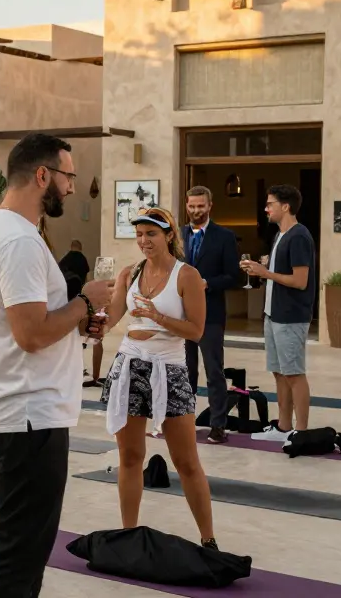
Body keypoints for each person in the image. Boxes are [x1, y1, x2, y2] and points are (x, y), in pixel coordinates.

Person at [0, 133, 113, 598]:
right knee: (20, 546)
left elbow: (36, 323)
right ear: (43, 175)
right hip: (26, 412)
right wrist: (85, 302)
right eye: (68, 176)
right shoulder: (17, 240)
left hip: (18, 407)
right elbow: (29, 334)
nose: (72, 187)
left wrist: (75, 319)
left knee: (24, 544)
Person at [100, 206, 216, 548]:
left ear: (168, 235)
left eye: (150, 234)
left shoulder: (187, 276)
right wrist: (91, 322)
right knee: (130, 457)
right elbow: (113, 317)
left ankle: (208, 540)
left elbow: (196, 331)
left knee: (186, 461)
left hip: (170, 368)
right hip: (130, 365)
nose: (143, 241)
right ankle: (128, 534)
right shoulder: (130, 272)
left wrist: (159, 316)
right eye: (138, 234)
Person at [242, 184, 316, 441]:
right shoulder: (280, 235)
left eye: (270, 203)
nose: (266, 208)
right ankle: (284, 427)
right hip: (273, 315)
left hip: (291, 316)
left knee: (294, 373)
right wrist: (266, 266)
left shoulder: (299, 236)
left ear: (285, 206)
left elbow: (300, 281)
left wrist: (265, 273)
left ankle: (302, 432)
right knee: (279, 372)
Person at [182, 186, 241, 444]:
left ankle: (218, 425)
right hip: (180, 315)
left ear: (210, 206)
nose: (196, 211)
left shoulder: (225, 237)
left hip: (211, 315)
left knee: (214, 371)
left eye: (200, 206)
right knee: (184, 372)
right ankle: (183, 421)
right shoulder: (177, 235)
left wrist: (208, 283)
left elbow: (234, 276)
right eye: (192, 206)